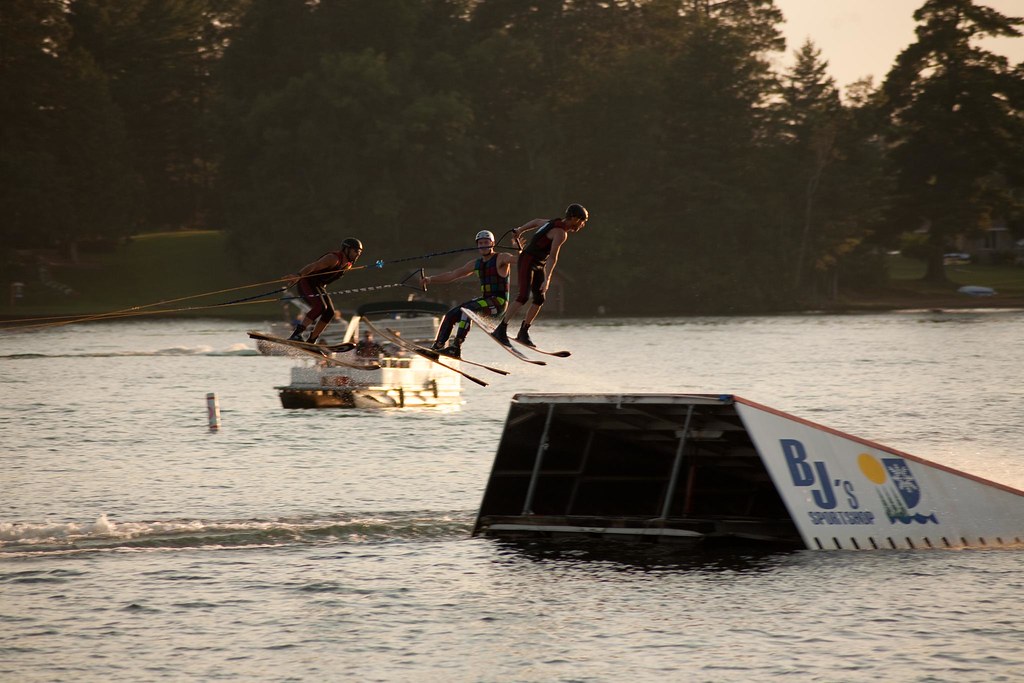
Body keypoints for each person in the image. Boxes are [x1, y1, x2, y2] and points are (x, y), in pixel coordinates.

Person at [491, 203, 588, 347]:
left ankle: (523, 332)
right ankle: (501, 329)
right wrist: (547, 279)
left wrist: (520, 230)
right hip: (527, 260)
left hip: (538, 264)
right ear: (573, 218)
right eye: (581, 221)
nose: (581, 225)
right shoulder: (561, 233)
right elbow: (553, 257)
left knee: (539, 298)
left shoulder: (551, 222)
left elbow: (536, 221)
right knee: (523, 296)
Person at [420, 229, 518, 358]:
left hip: (498, 304)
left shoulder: (502, 258)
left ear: (493, 243)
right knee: (451, 314)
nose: (483, 245)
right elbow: (452, 275)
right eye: (480, 243)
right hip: (485, 302)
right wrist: (430, 279)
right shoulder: (475, 264)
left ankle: (456, 346)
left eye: (486, 242)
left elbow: (519, 260)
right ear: (477, 245)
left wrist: (517, 248)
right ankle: (437, 347)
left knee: (467, 309)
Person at [286, 238, 364, 343]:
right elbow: (314, 266)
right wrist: (298, 275)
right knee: (320, 307)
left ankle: (312, 340)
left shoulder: (348, 265)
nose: (358, 254)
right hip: (306, 282)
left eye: (360, 252)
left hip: (319, 286)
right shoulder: (333, 258)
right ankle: (296, 335)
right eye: (356, 251)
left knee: (330, 312)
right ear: (347, 249)